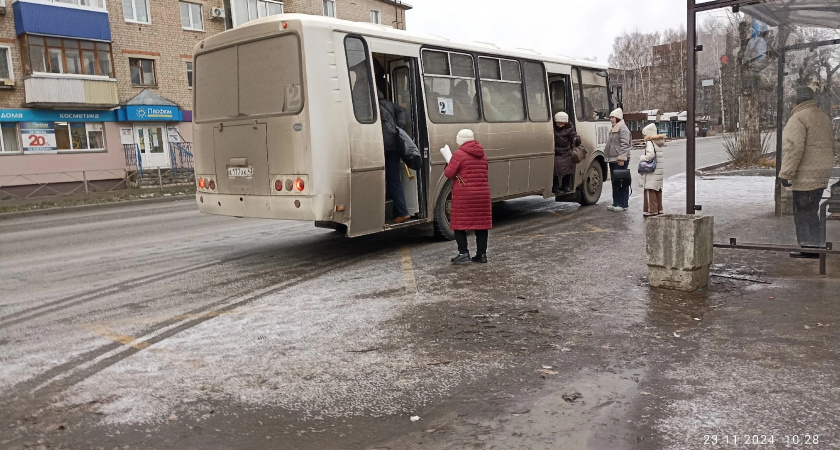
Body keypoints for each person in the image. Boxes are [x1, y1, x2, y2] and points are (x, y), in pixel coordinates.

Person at [778, 86, 835, 258]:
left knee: (803, 213)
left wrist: (786, 174)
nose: (790, 103)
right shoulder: (822, 116)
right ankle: (815, 247)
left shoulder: (798, 118)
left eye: (791, 100)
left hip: (806, 174)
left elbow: (793, 149)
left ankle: (809, 249)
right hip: (821, 171)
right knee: (811, 211)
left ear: (795, 101)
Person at [444, 129, 492, 264]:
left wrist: (448, 164)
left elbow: (449, 173)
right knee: (481, 224)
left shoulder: (459, 154)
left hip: (465, 194)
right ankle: (481, 255)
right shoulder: (483, 155)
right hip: (483, 194)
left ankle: (463, 253)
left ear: (460, 140)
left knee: (459, 223)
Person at [604, 108, 632, 211]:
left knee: (622, 182)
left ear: (618, 118)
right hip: (613, 159)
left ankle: (623, 204)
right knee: (615, 182)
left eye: (613, 117)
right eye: (610, 117)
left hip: (619, 160)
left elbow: (625, 145)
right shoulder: (614, 128)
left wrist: (622, 159)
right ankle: (616, 203)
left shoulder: (623, 128)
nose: (611, 119)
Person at [639, 123, 666, 216]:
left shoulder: (650, 142)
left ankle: (652, 210)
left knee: (650, 189)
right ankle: (659, 209)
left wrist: (642, 157)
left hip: (652, 171)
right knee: (657, 189)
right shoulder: (658, 142)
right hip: (658, 169)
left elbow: (650, 155)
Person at [552, 111, 578, 194]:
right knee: (555, 171)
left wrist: (577, 140)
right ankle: (555, 187)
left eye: (562, 124)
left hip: (566, 151)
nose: (560, 125)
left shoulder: (569, 128)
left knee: (568, 169)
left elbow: (573, 136)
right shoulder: (552, 128)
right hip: (555, 151)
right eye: (558, 124)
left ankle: (565, 185)